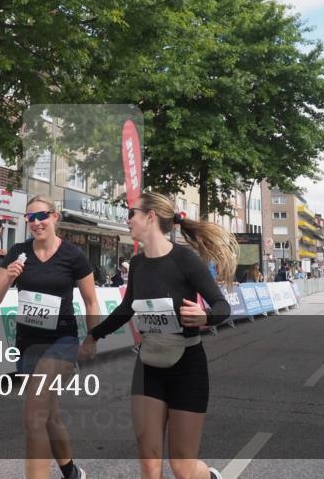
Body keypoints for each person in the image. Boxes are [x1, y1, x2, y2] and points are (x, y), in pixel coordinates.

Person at [79, 192, 234, 479]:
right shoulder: (137, 264)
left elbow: (222, 305)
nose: (127, 221)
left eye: (131, 214)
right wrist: (94, 336)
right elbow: (127, 308)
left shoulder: (185, 259)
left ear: (150, 217)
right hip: (149, 365)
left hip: (187, 365)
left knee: (183, 468)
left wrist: (205, 317)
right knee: (149, 462)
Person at [0, 195, 99, 479]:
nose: (36, 223)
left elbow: (90, 302)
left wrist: (92, 339)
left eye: (42, 216)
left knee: (33, 414)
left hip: (62, 341)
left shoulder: (73, 255)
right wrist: (9, 277)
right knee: (49, 416)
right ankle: (71, 472)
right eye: (31, 218)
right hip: (28, 343)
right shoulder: (17, 252)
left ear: (55, 217)